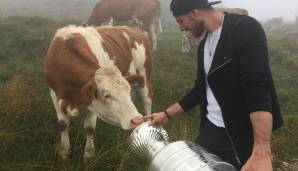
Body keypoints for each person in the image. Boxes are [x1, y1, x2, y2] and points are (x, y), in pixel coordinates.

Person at [131, 0, 283, 170]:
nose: (181, 28)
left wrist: (261, 151)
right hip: (210, 130)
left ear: (194, 12)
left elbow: (257, 89)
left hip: (239, 132)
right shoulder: (204, 45)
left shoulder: (244, 29)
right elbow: (199, 89)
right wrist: (165, 115)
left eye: (181, 21)